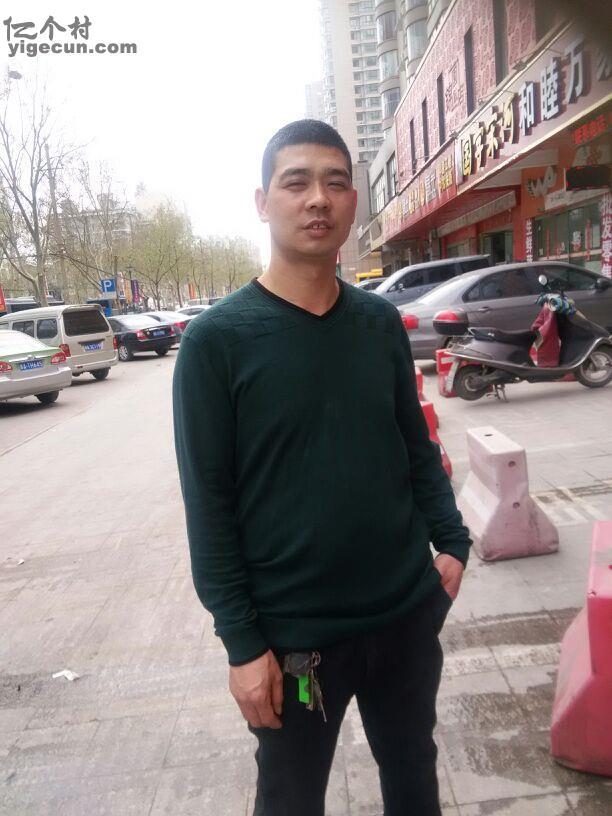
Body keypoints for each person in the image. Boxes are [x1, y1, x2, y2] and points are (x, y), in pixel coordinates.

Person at [173, 119, 471, 816]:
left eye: (336, 183)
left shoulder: (377, 324)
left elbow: (415, 445)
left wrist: (452, 542)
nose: (318, 199)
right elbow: (209, 506)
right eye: (296, 182)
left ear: (353, 204)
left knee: (414, 780)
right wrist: (242, 645)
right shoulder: (216, 343)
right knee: (290, 800)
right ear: (262, 202)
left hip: (404, 616)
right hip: (295, 645)